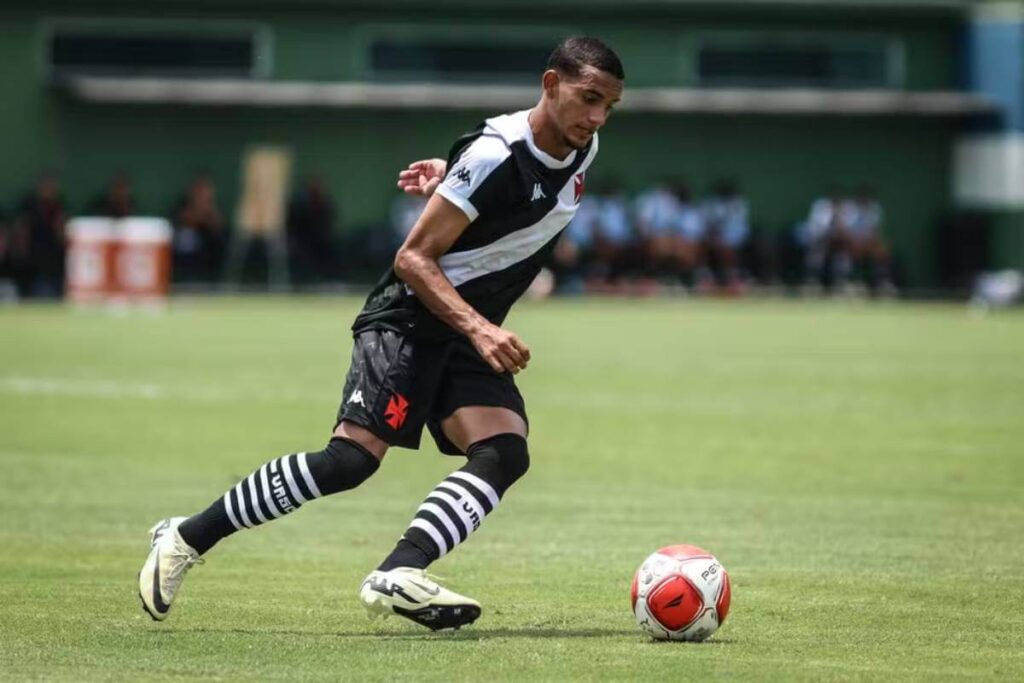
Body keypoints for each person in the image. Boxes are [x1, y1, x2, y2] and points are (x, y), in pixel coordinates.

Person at [138, 36, 624, 632]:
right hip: (412, 319)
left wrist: (454, 186)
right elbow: (412, 260)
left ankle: (400, 571)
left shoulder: (581, 144)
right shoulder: (496, 152)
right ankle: (185, 536)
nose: (598, 117)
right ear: (551, 85)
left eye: (609, 106)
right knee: (349, 462)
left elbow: (520, 198)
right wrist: (479, 323)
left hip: (466, 332)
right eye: (589, 98)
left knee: (504, 450)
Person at [13, 172, 67, 298]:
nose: (49, 190)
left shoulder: (58, 206)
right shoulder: (29, 205)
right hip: (32, 262)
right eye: (45, 186)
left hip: (54, 262)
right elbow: (21, 231)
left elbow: (62, 235)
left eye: (52, 187)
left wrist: (60, 229)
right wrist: (21, 253)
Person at [172, 173, 225, 282]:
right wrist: (201, 210)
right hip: (183, 258)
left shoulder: (212, 209)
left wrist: (207, 209)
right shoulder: (183, 205)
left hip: (205, 259)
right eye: (199, 190)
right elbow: (188, 219)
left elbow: (218, 226)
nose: (203, 193)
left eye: (206, 190)